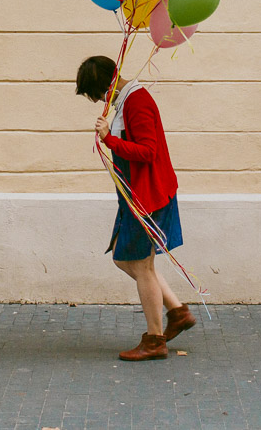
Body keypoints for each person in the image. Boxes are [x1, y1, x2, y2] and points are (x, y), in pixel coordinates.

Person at [75, 55, 197, 361]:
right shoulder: (126, 100)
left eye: (97, 94)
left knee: (141, 266)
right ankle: (177, 311)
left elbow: (147, 151)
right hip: (134, 195)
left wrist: (110, 140)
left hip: (148, 197)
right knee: (125, 259)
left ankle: (155, 340)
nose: (99, 101)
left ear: (106, 85)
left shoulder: (136, 101)